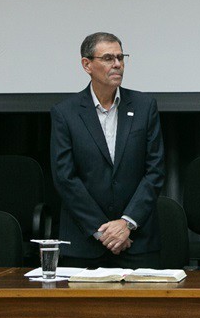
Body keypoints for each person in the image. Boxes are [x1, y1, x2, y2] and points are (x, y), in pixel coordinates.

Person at [51, 32, 165, 268]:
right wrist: (101, 230)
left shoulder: (144, 106)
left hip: (136, 240)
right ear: (87, 64)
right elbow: (65, 178)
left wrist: (126, 224)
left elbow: (155, 171)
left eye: (121, 57)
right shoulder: (65, 113)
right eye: (108, 58)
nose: (117, 65)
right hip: (85, 243)